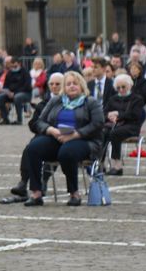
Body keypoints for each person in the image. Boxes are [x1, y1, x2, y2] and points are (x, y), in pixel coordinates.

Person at [22, 71, 105, 206]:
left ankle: (74, 194)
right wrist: (51, 130)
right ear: (64, 88)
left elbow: (98, 123)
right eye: (68, 84)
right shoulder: (56, 100)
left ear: (81, 85)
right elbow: (39, 121)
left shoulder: (90, 102)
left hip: (84, 140)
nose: (72, 86)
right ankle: (36, 193)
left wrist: (75, 135)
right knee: (33, 148)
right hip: (58, 137)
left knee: (66, 152)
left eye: (75, 83)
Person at [1, 72, 66, 203]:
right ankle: (24, 181)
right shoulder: (43, 103)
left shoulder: (68, 101)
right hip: (43, 135)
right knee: (30, 148)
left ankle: (44, 180)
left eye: (57, 84)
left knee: (44, 148)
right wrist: (45, 129)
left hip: (62, 137)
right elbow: (33, 123)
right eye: (51, 84)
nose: (54, 86)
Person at [104, 74, 146, 175]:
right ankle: (101, 164)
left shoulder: (137, 99)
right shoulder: (113, 99)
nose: (121, 89)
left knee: (115, 133)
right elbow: (104, 112)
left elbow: (135, 115)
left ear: (130, 86)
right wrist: (109, 116)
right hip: (115, 124)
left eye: (123, 87)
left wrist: (118, 115)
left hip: (132, 126)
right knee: (103, 132)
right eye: (118, 87)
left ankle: (117, 166)